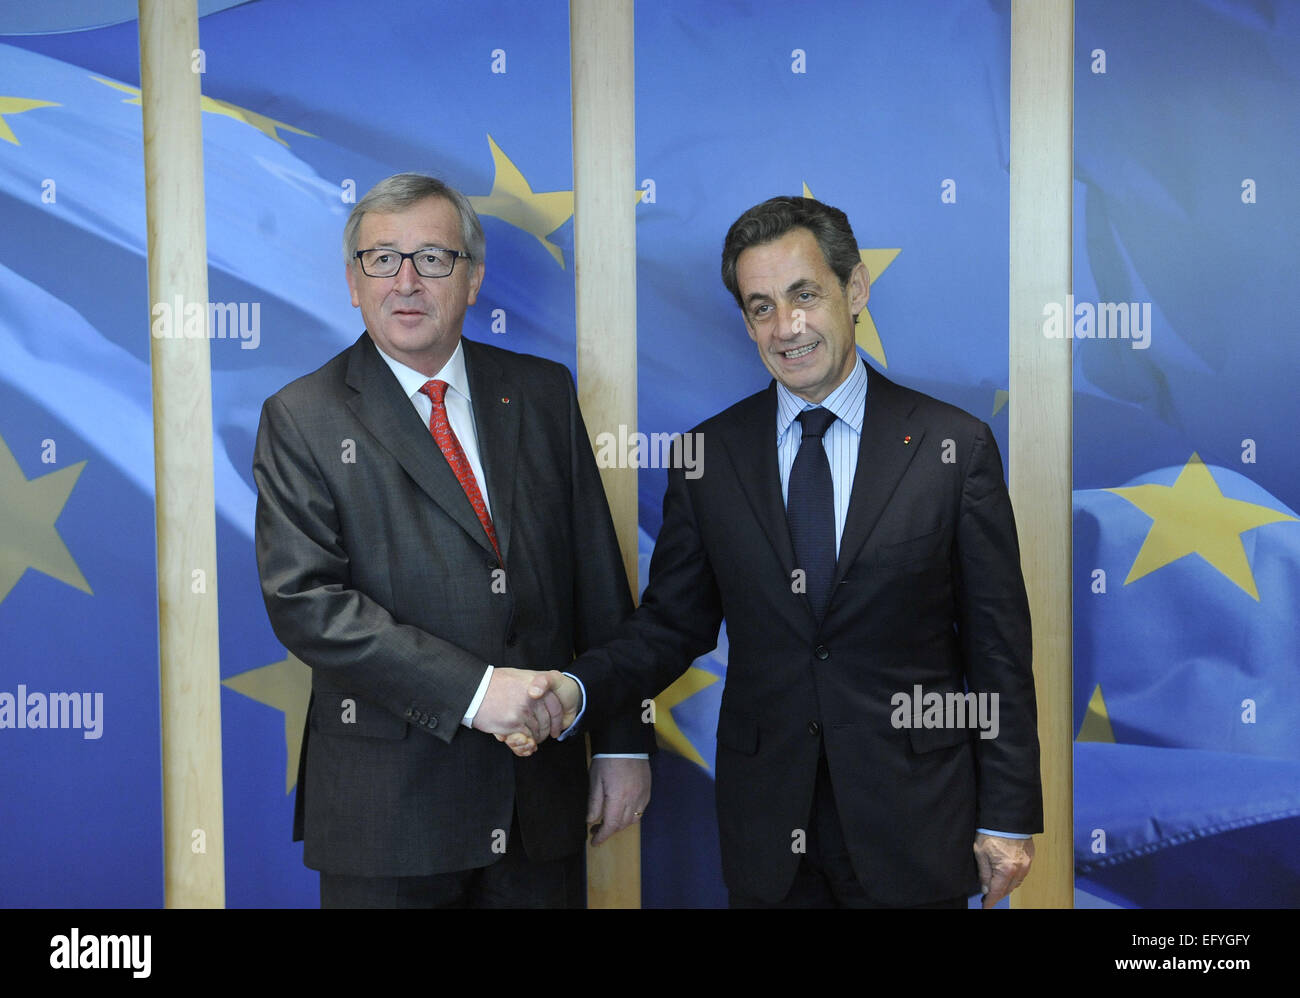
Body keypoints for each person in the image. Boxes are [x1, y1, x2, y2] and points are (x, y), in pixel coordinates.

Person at [512, 195, 1042, 908]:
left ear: (853, 291)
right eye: (761, 306)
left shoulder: (954, 446)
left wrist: (1007, 816)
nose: (786, 327)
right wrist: (576, 689)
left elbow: (997, 647)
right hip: (771, 830)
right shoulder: (708, 455)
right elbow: (672, 626)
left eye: (804, 295)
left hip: (915, 822)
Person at [253, 173, 651, 908]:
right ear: (352, 281)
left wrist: (622, 742)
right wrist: (477, 693)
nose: (406, 281)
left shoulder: (542, 392)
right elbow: (307, 603)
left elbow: (596, 580)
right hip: (388, 818)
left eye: (433, 258)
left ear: (472, 280)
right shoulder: (302, 416)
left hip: (538, 805)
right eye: (382, 259)